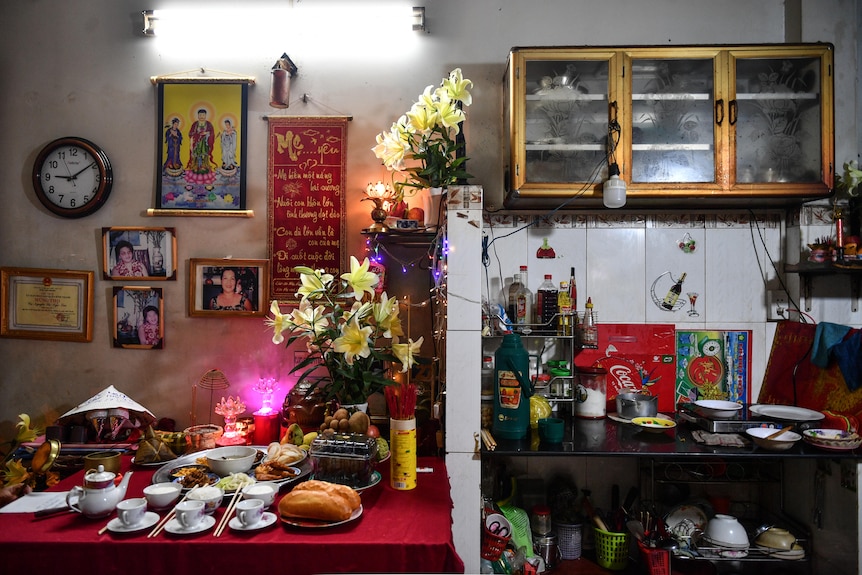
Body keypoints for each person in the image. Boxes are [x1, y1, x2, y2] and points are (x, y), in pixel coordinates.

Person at [186, 108, 216, 183]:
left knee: (204, 155)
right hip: (197, 142)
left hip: (205, 142)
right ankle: (196, 166)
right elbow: (190, 133)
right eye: (200, 115)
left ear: (205, 115)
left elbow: (212, 133)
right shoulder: (195, 124)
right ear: (198, 116)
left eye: (203, 115)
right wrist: (197, 134)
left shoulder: (208, 124)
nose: (201, 116)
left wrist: (206, 133)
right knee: (197, 154)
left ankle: (204, 166)